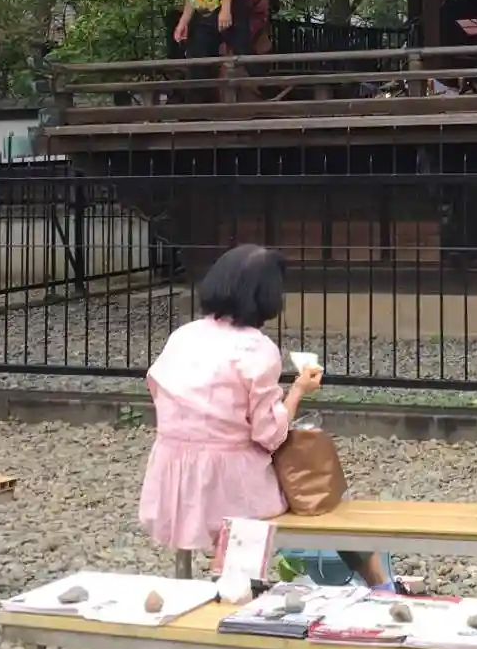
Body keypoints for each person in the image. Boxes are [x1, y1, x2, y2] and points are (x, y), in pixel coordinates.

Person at [138, 246, 386, 587]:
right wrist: (298, 390)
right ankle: (380, 584)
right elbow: (269, 435)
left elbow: (158, 388)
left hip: (174, 475)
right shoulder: (257, 349)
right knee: (328, 495)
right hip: (234, 483)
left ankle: (224, 582)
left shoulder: (183, 336)